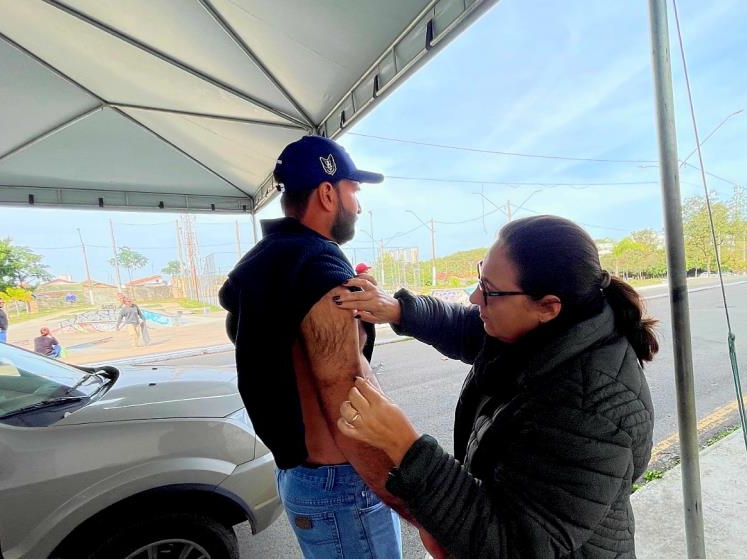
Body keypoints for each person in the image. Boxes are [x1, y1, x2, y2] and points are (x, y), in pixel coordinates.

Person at [334, 215, 657, 558]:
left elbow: (512, 546)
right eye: (479, 279)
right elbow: (465, 326)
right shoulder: (539, 329)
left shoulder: (592, 407)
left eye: (488, 290)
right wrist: (399, 310)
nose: (475, 298)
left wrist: (405, 446)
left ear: (547, 306)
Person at [219, 135, 416, 558]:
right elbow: (345, 394)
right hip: (341, 483)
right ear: (328, 193)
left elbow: (287, 356)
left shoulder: (264, 262)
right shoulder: (317, 265)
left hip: (301, 475)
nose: (358, 206)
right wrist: (408, 504)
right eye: (353, 192)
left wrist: (359, 324)